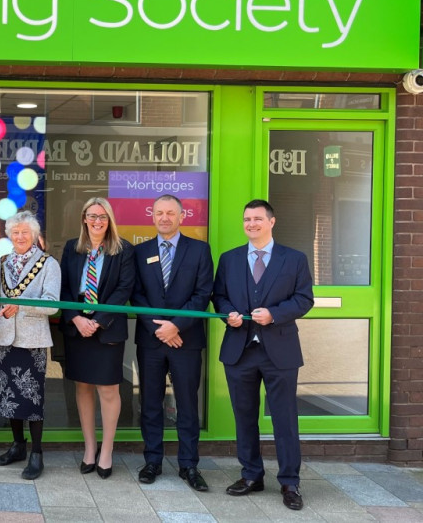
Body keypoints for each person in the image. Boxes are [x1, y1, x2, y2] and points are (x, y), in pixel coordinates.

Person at [213, 199, 314, 511]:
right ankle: (251, 475)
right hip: (239, 351)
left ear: (272, 221)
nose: (251, 224)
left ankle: (289, 482)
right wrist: (227, 313)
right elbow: (220, 296)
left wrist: (274, 314)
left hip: (279, 351)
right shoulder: (229, 259)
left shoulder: (294, 259)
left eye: (257, 218)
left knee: (284, 419)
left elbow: (304, 299)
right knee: (244, 418)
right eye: (246, 219)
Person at [131, 195, 213, 489]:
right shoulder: (140, 252)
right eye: (159, 213)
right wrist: (159, 328)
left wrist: (176, 326)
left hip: (185, 340)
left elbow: (203, 295)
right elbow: (136, 295)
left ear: (182, 217)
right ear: (152, 217)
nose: (164, 218)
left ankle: (189, 465)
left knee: (187, 405)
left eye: (170, 213)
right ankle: (152, 460)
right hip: (152, 341)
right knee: (150, 403)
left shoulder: (200, 250)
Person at [59, 197, 135, 479]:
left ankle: (107, 450)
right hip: (78, 326)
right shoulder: (72, 247)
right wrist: (76, 318)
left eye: (103, 216)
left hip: (107, 328)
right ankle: (90, 448)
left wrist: (98, 321)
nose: (97, 221)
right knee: (83, 388)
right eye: (92, 216)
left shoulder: (123, 250)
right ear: (84, 218)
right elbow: (64, 287)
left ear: (110, 220)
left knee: (108, 389)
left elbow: (124, 289)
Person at [0, 211, 61, 480]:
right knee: (9, 398)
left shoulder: (48, 264)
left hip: (33, 340)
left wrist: (21, 305)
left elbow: (53, 304)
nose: (20, 236)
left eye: (25, 232)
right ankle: (17, 446)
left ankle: (37, 453)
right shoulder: (4, 261)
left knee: (32, 399)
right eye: (15, 232)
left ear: (34, 235)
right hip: (6, 338)